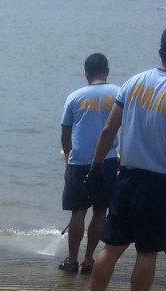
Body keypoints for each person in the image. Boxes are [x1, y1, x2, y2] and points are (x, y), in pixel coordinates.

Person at [79, 29, 166, 291]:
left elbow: (107, 130)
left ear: (160, 50)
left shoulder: (134, 82)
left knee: (112, 246)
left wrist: (96, 168)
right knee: (147, 253)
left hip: (125, 177)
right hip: (158, 184)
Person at [59, 53, 119, 275]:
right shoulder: (119, 93)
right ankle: (88, 260)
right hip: (107, 160)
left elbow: (65, 132)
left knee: (78, 212)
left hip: (79, 162)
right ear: (107, 71)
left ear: (86, 74)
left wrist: (68, 158)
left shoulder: (74, 97)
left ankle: (72, 260)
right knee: (100, 211)